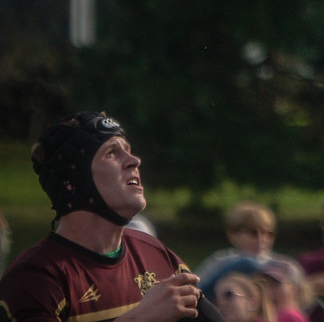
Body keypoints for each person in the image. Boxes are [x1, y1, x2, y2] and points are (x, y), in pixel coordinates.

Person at [0, 111, 219, 322]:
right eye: (112, 153)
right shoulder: (35, 277)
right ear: (73, 182)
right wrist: (141, 318)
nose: (134, 160)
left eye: (128, 149)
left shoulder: (156, 254)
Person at [195, 201, 292, 296]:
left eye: (268, 234)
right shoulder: (220, 261)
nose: (261, 239)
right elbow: (198, 289)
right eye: (253, 232)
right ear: (233, 235)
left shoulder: (284, 265)